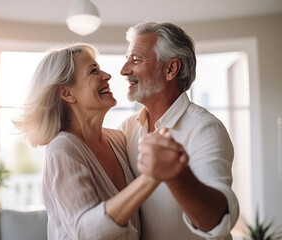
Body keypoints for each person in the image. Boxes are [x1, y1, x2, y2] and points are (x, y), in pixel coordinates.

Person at [14, 43, 184, 239]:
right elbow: (85, 232)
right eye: (93, 71)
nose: (107, 75)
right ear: (67, 93)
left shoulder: (118, 140)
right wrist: (150, 179)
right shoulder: (62, 149)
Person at [119, 22, 240, 239]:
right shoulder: (126, 129)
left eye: (136, 60)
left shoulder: (205, 128)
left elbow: (216, 221)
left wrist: (177, 175)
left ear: (171, 69)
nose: (124, 70)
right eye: (127, 59)